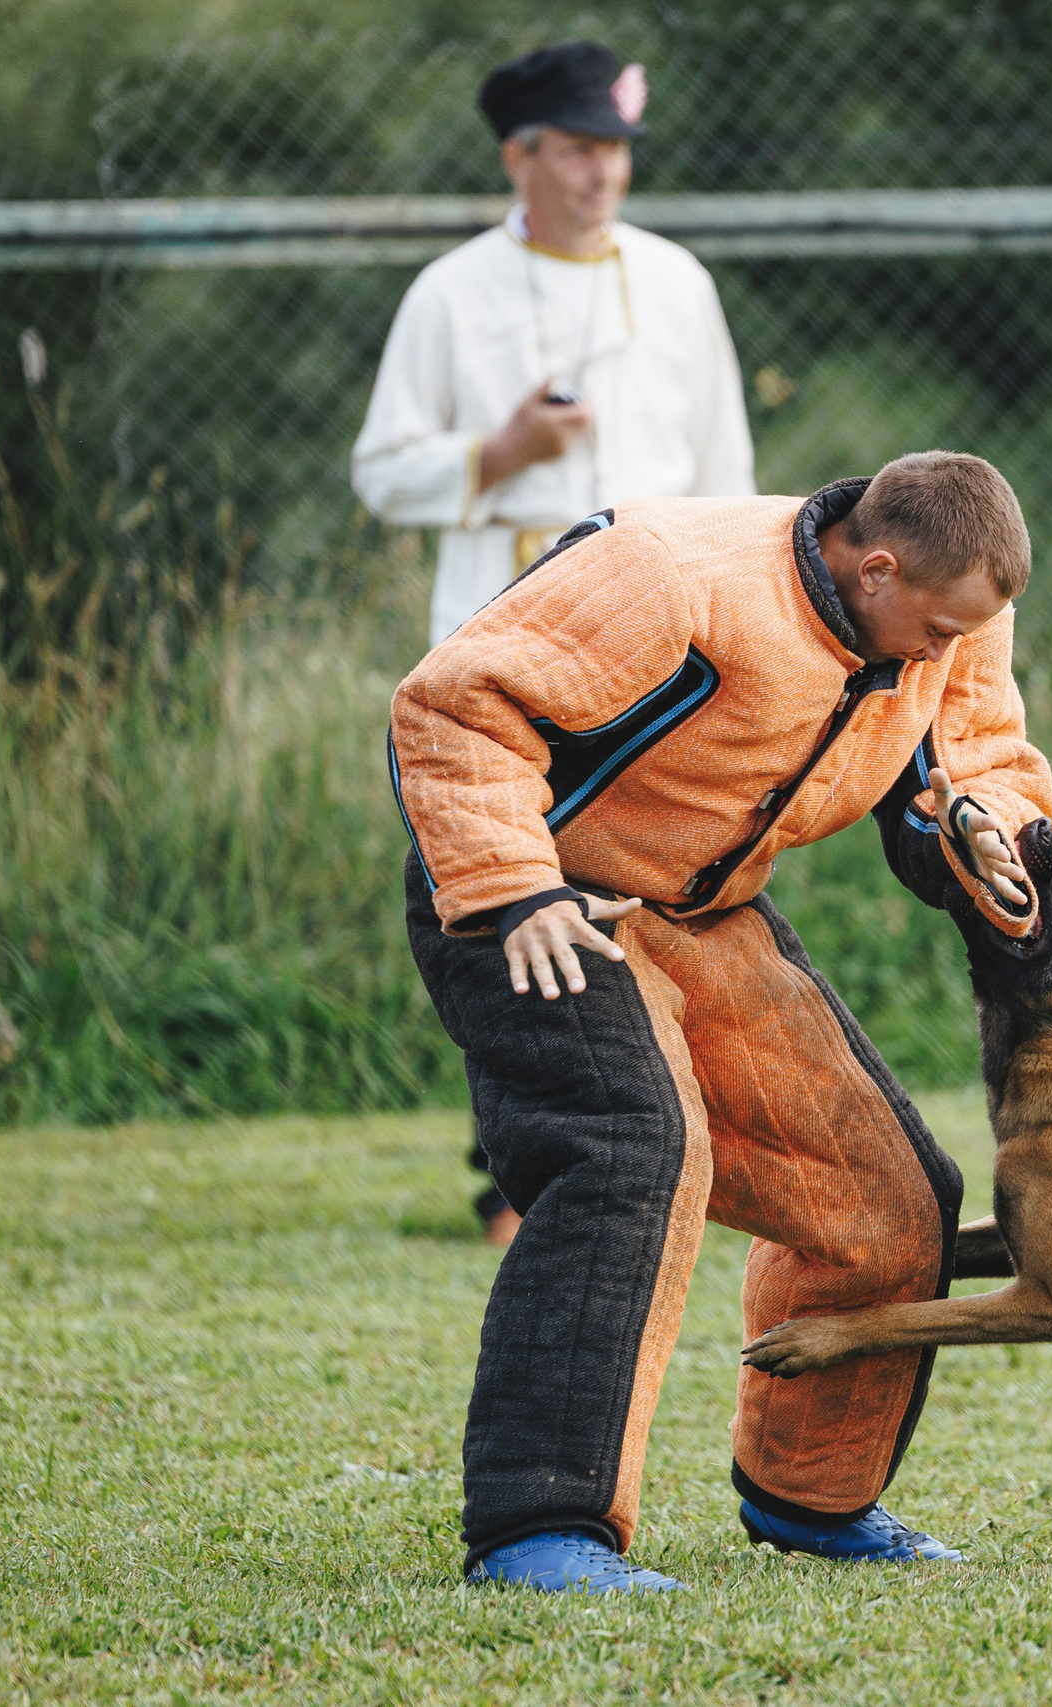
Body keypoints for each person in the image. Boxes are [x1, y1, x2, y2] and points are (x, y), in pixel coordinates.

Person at [388, 452, 1052, 1592]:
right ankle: (539, 1532)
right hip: (539, 899)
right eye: (935, 630)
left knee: (887, 1199)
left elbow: (973, 753)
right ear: (877, 565)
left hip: (702, 907)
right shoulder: (671, 575)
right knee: (628, 1151)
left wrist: (988, 827)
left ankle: (813, 1499)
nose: (946, 656)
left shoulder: (952, 613)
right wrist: (512, 887)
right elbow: (454, 704)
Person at [352, 40, 756, 1241]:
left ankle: (664, 1138)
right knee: (503, 891)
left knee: (637, 890)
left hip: (661, 653)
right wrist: (494, 458)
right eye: (577, 150)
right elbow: (381, 473)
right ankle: (515, 1174)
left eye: (614, 151)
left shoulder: (677, 281)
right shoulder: (450, 292)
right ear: (519, 156)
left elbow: (727, 474)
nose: (601, 174)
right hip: (505, 639)